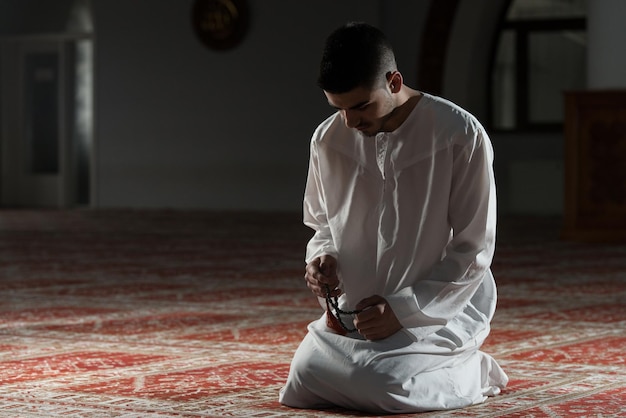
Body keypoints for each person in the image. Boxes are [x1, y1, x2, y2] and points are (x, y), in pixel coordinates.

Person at [279, 22, 508, 414]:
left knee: (387, 387)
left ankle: (472, 370)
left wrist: (403, 311)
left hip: (436, 310)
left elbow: (473, 249)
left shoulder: (460, 135)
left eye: (361, 106)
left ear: (395, 81)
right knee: (302, 380)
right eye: (339, 108)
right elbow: (321, 224)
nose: (350, 122)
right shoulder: (327, 139)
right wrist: (321, 260)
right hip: (359, 313)